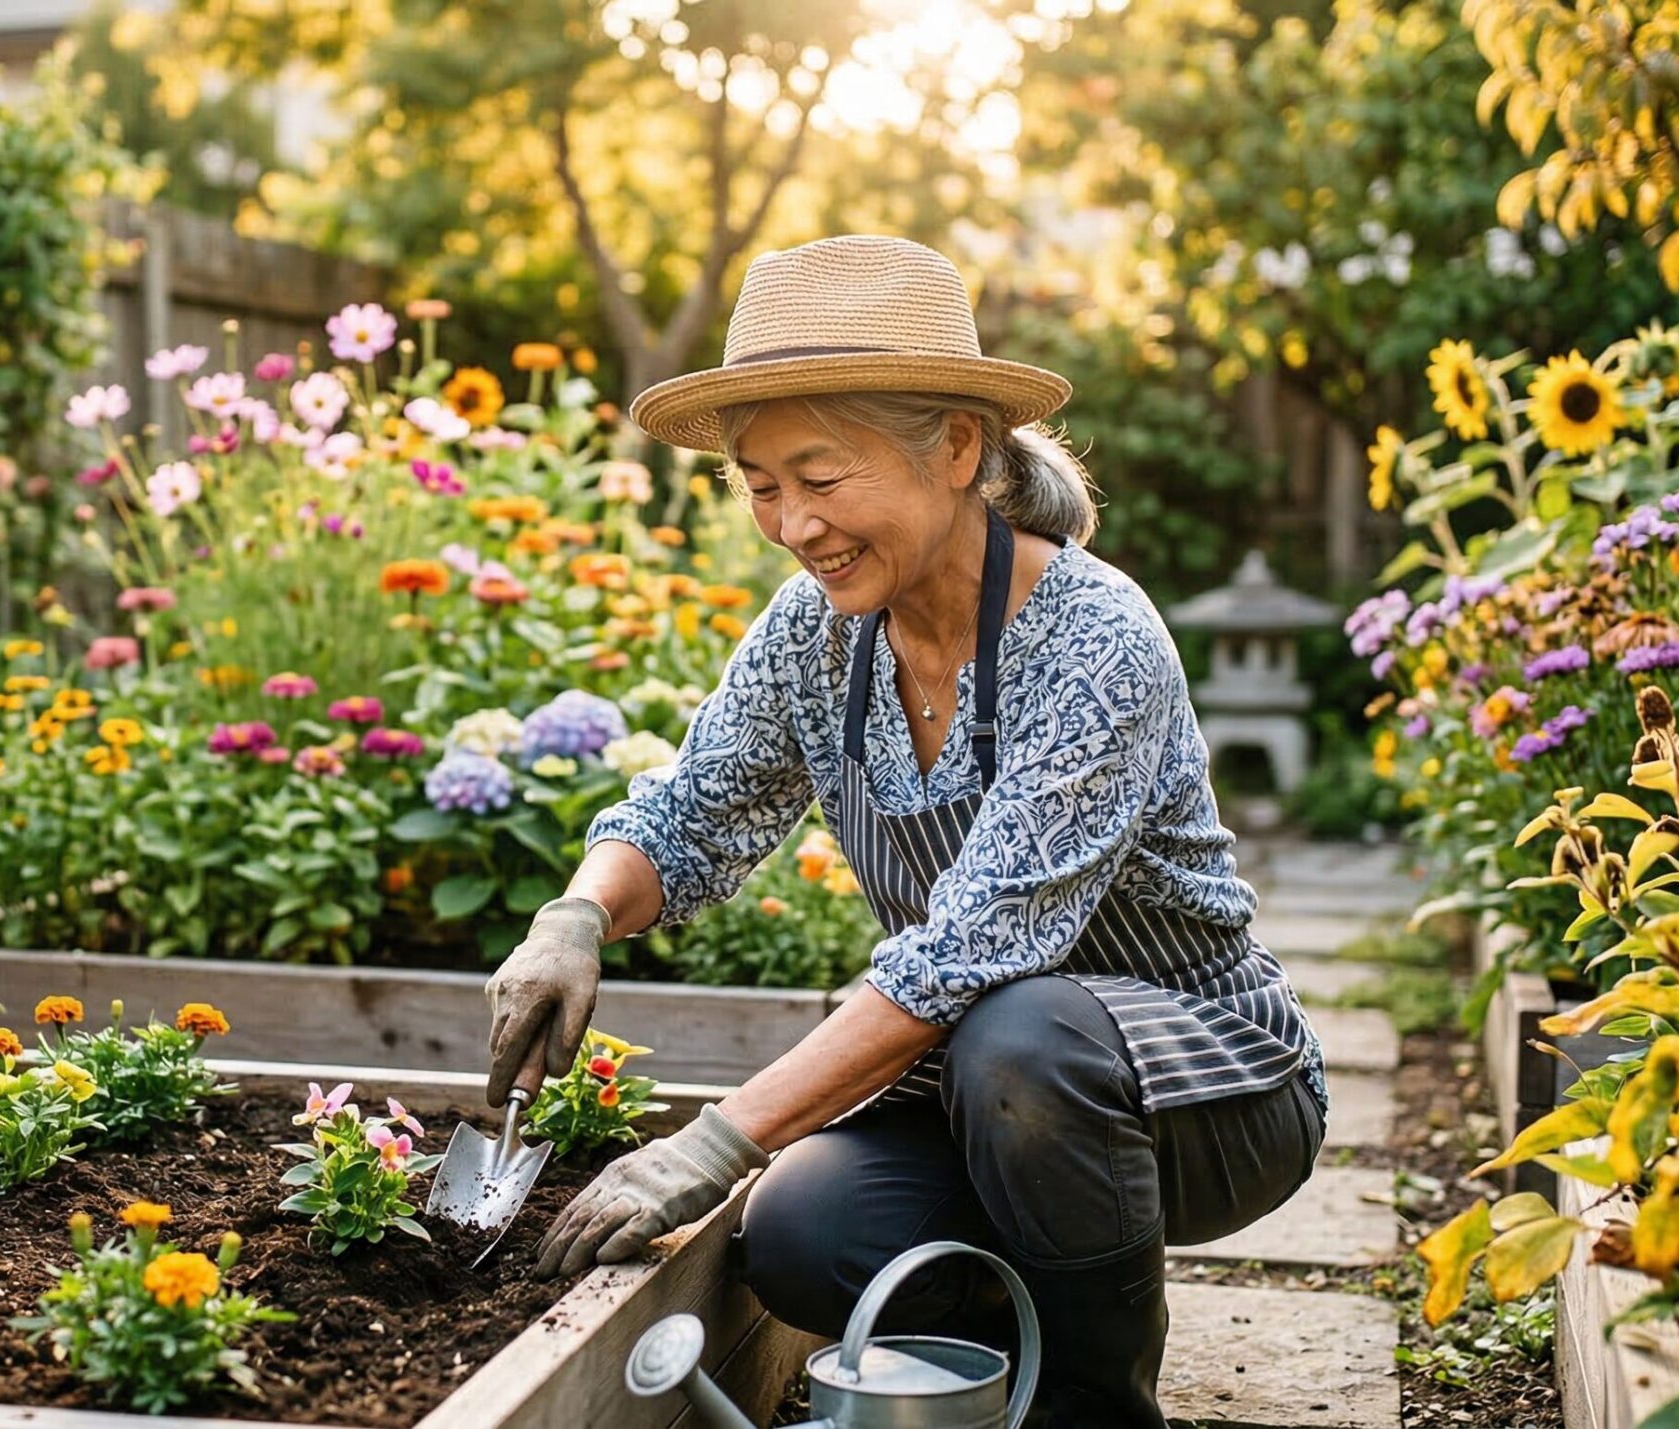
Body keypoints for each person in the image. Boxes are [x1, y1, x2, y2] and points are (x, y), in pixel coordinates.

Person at [483, 234, 1327, 1426]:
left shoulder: (1094, 638)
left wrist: (709, 1143)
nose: (789, 523)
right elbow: (687, 815)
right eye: (759, 485)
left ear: (958, 449)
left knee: (1021, 1038)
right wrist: (575, 914)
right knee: (804, 1232)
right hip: (980, 1090)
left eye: (820, 478)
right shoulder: (812, 635)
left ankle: (1092, 1407)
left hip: (1206, 1086)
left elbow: (963, 958)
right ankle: (1005, 1361)